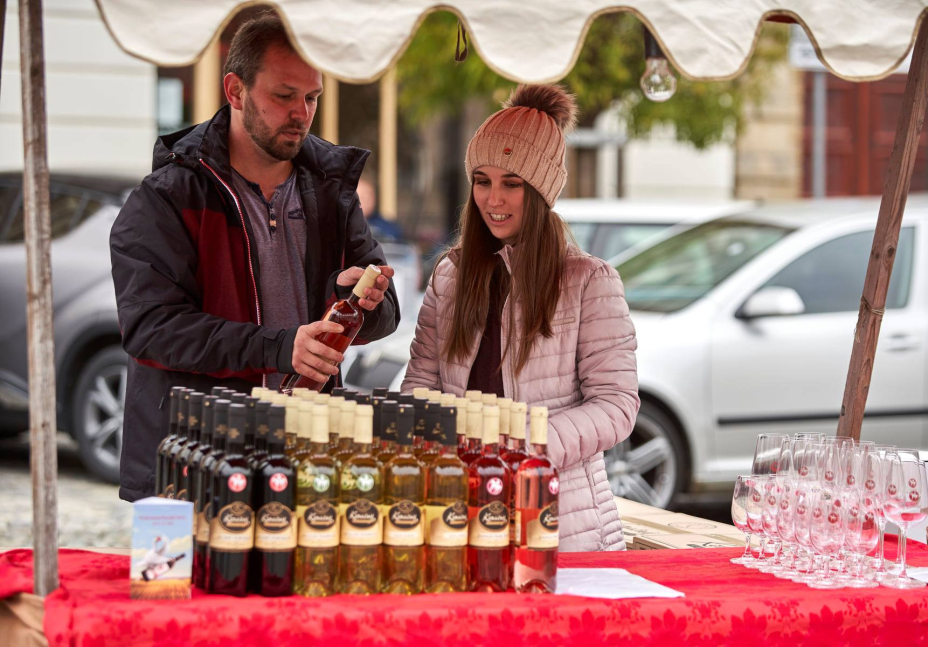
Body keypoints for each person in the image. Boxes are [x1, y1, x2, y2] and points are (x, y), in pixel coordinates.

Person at [110, 12, 400, 502]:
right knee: (196, 583)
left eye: (311, 97)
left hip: (304, 456)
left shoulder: (331, 191)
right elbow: (152, 329)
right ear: (235, 90)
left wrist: (352, 300)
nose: (301, 113)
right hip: (193, 460)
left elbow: (387, 314)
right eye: (283, 95)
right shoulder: (168, 196)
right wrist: (278, 346)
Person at [402, 85, 639, 551]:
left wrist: (528, 444)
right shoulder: (449, 274)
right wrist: (446, 445)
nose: (494, 199)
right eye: (482, 180)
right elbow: (419, 386)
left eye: (512, 184)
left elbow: (616, 406)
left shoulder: (589, 281)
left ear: (541, 190)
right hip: (460, 513)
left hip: (561, 523)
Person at [357, 177, 404, 242]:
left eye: (369, 196)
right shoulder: (340, 225)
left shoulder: (386, 227)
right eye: (361, 197)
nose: (366, 200)